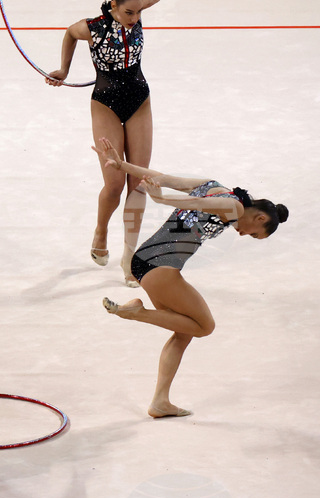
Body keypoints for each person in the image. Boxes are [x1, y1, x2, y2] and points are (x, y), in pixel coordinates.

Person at [94, 138, 287, 418]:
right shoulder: (234, 209)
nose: (244, 235)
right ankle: (136, 313)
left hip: (143, 261)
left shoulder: (213, 185)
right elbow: (188, 199)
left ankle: (160, 401)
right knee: (205, 326)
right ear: (259, 219)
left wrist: (122, 164)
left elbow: (162, 177)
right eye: (254, 233)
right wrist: (160, 198)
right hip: (161, 266)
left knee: (184, 331)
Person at [48, 0, 167, 286]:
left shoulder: (134, 15)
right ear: (113, 5)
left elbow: (137, 8)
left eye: (139, 12)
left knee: (138, 182)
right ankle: (101, 230)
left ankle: (130, 257)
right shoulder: (92, 27)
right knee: (114, 185)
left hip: (139, 100)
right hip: (106, 103)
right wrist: (64, 69)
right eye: (129, 12)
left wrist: (147, 3)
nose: (135, 18)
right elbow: (69, 34)